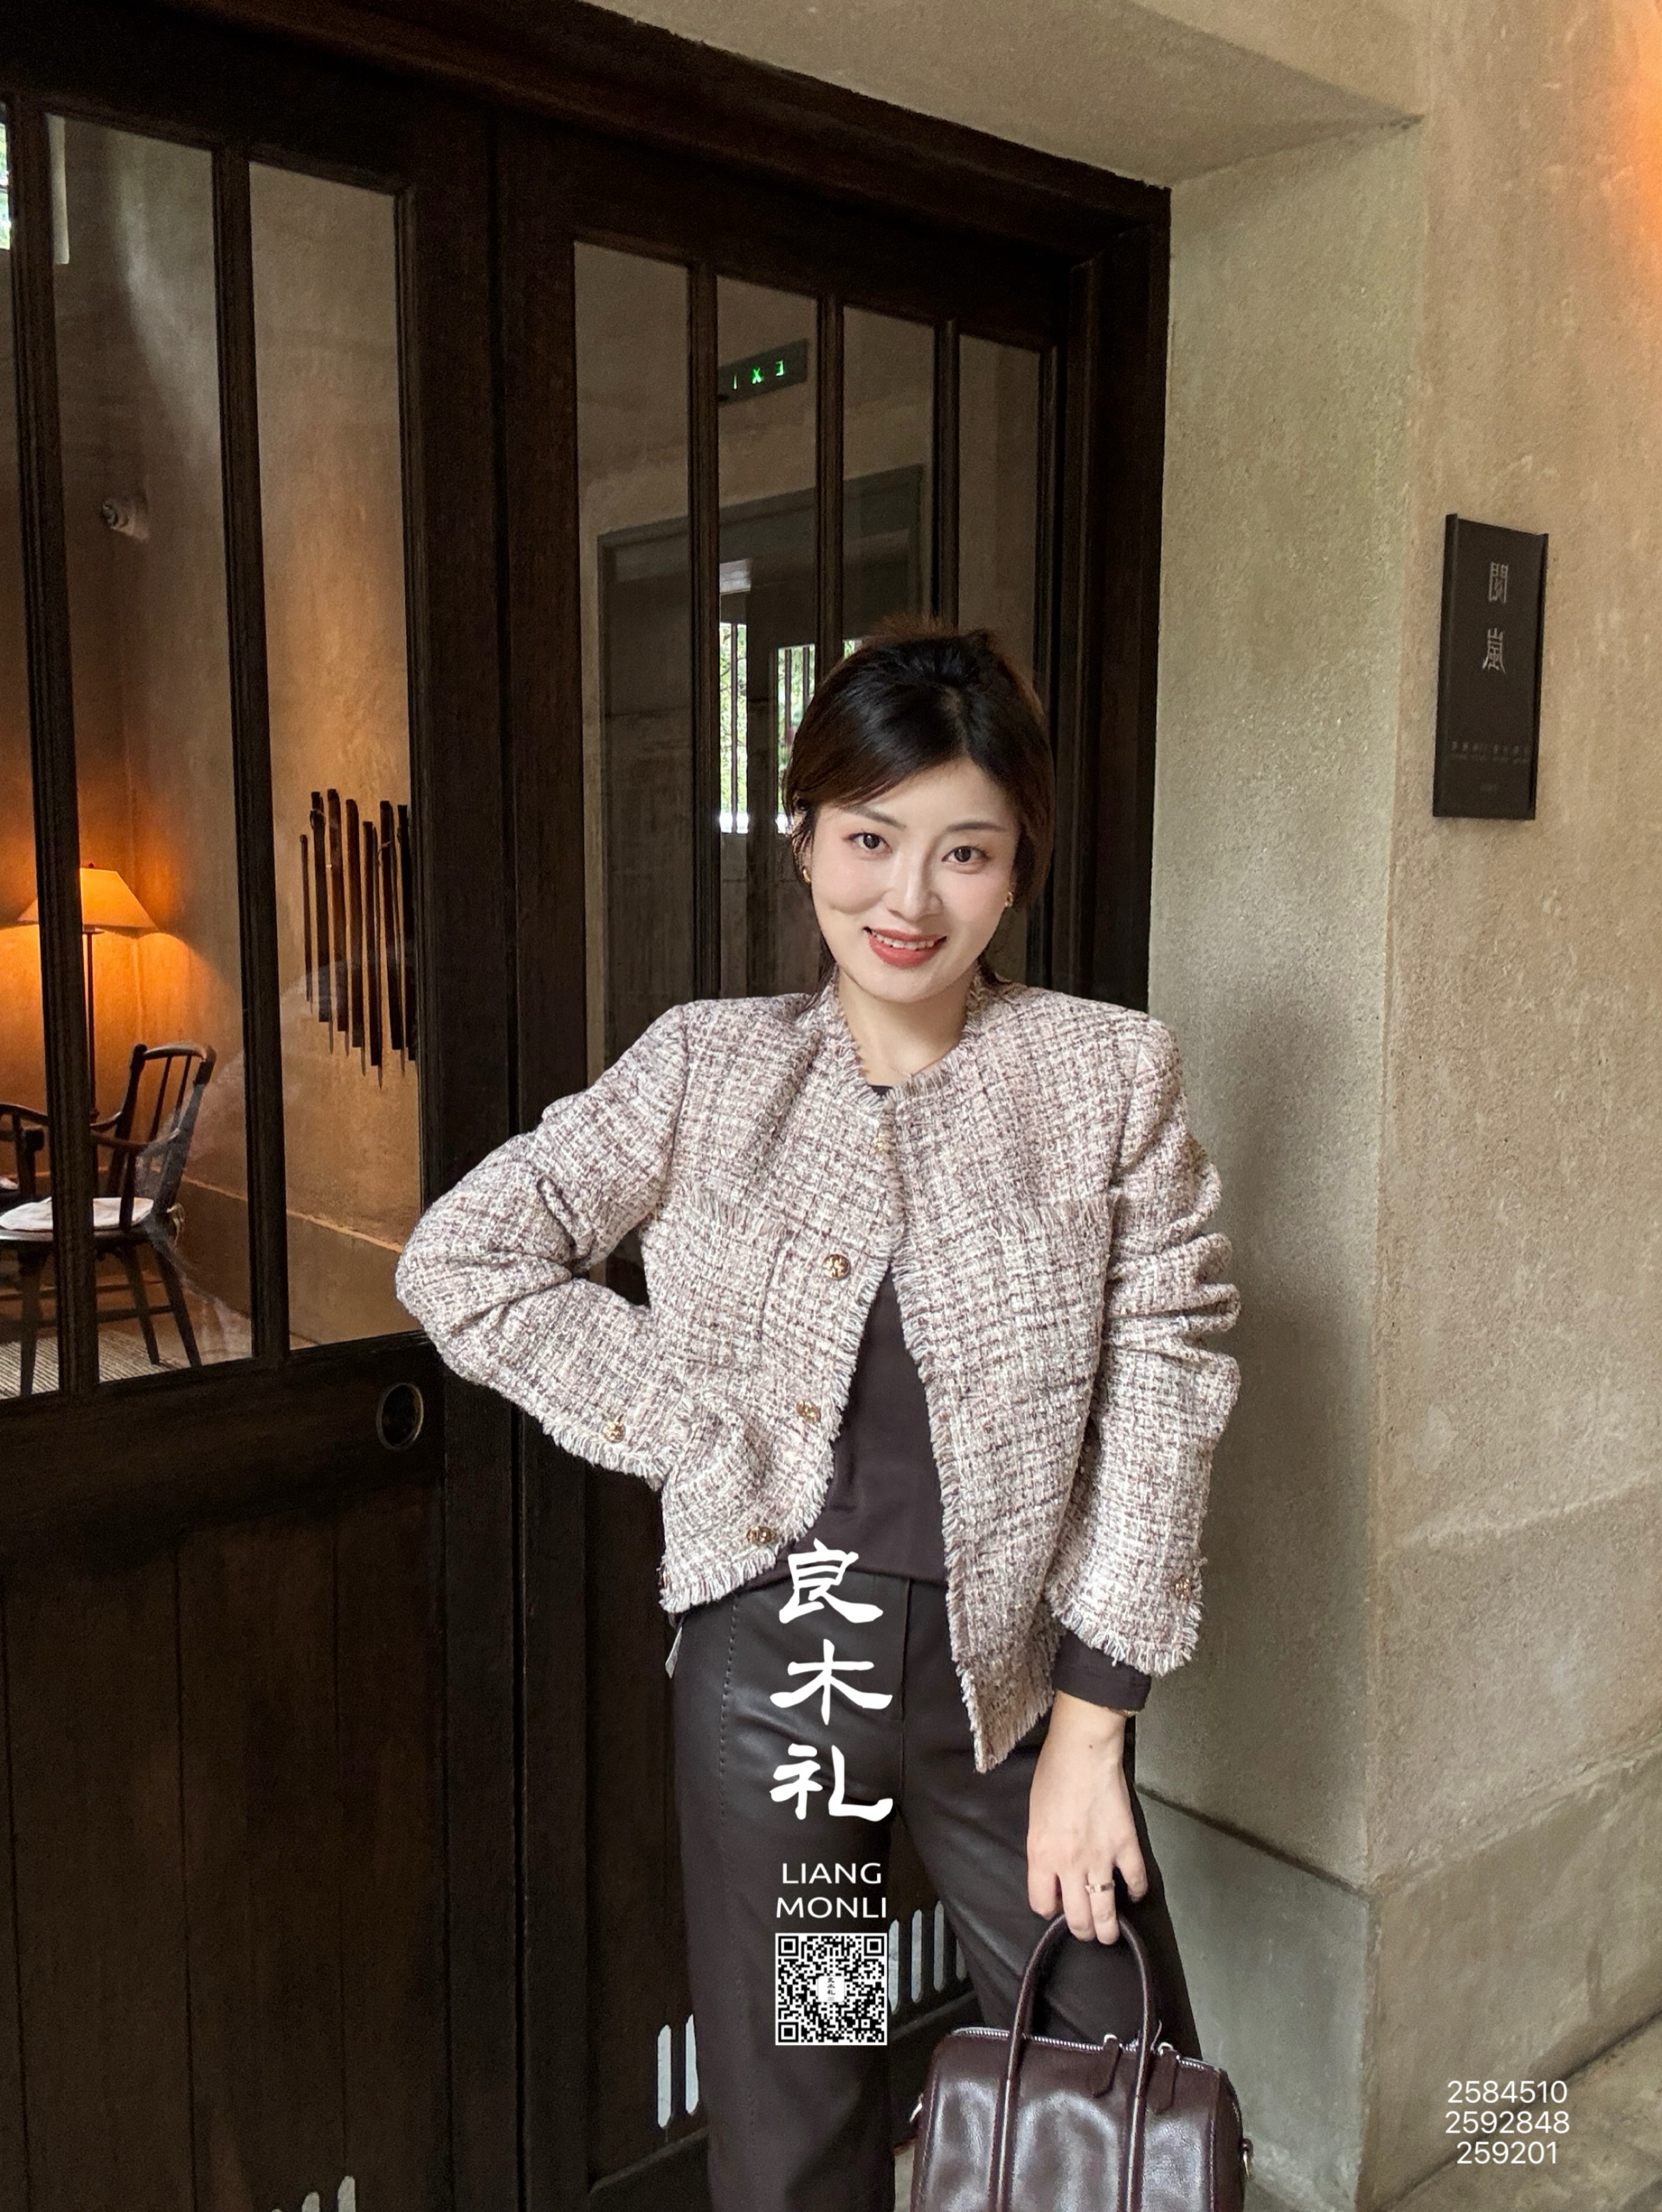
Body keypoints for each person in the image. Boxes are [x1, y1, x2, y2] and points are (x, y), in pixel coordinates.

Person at [395, 621, 1241, 2212]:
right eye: (868, 839)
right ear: (804, 842)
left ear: (1017, 867)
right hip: (787, 1691)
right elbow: (467, 1258)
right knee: (810, 2102)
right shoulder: (709, 1071)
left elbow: (1169, 1372)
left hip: (1014, 1700)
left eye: (964, 851)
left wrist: (1093, 1726)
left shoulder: (1104, 1078)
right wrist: (703, 1431)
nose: (908, 899)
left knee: (1109, 2090)